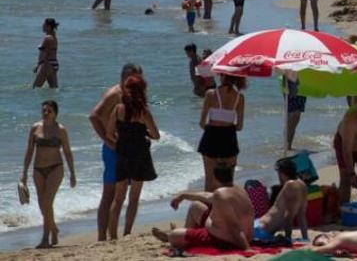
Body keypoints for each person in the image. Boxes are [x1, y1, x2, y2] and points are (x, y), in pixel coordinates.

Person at [149, 164, 252, 252]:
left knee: (174, 235)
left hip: (225, 240)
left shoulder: (221, 194)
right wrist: (183, 196)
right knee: (195, 206)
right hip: (231, 233)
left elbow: (234, 226)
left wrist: (246, 248)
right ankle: (185, 234)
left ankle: (171, 237)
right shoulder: (238, 189)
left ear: (215, 178)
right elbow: (207, 196)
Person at [90, 63, 140, 241]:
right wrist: (106, 139)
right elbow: (94, 116)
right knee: (109, 193)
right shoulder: (115, 93)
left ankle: (122, 233)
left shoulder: (134, 95)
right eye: (133, 78)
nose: (136, 82)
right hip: (113, 149)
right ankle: (102, 236)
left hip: (129, 149)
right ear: (124, 77)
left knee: (124, 194)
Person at [106, 75, 159, 239]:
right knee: (134, 197)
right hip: (140, 155)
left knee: (118, 198)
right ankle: (127, 232)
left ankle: (112, 235)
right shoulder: (143, 111)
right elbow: (156, 135)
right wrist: (146, 134)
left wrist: (120, 140)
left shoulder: (117, 109)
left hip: (122, 154)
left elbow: (109, 133)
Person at [21, 100, 75, 248]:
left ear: (55, 113)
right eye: (44, 110)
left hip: (55, 168)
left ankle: (46, 238)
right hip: (38, 169)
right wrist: (24, 173)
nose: (45, 113)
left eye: (49, 111)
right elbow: (29, 151)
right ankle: (54, 229)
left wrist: (72, 173)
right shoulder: (35, 128)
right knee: (42, 204)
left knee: (46, 202)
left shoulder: (61, 130)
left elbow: (68, 152)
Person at [198, 75, 245, 191]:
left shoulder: (211, 94)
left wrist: (211, 128)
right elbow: (239, 127)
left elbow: (202, 123)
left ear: (223, 77)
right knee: (228, 182)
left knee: (209, 181)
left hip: (211, 136)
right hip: (229, 137)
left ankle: (209, 208)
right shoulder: (240, 97)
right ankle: (226, 207)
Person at [252, 157, 309, 242]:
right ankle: (305, 238)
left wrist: (288, 239)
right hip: (261, 226)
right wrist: (305, 238)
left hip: (261, 229)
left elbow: (288, 217)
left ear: (282, 173)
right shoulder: (302, 184)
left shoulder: (290, 185)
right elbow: (301, 215)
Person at [32, 18, 59, 88]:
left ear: (49, 27)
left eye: (44, 25)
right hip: (54, 64)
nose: (42, 26)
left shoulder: (47, 38)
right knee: (54, 89)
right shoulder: (54, 37)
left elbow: (44, 53)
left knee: (35, 88)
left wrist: (38, 65)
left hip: (46, 64)